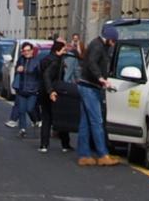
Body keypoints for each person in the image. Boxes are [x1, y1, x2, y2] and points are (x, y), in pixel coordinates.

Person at [75, 31, 117, 166]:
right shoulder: (98, 46)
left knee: (85, 122)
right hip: (90, 87)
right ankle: (102, 154)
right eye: (114, 41)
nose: (114, 44)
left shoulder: (96, 44)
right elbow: (92, 63)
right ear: (110, 38)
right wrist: (101, 79)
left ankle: (84, 155)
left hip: (85, 85)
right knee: (97, 121)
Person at [44, 37, 81, 154]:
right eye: (64, 46)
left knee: (55, 117)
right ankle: (56, 143)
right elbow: (46, 75)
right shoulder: (54, 60)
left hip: (60, 90)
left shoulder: (66, 59)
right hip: (54, 90)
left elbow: (76, 73)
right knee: (52, 116)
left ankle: (48, 144)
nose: (66, 48)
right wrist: (50, 90)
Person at [9, 42, 41, 134]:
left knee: (30, 108)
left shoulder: (37, 61)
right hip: (21, 89)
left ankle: (35, 120)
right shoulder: (21, 60)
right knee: (21, 110)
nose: (26, 52)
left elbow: (40, 76)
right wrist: (18, 70)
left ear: (32, 51)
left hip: (33, 90)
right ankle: (22, 129)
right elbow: (16, 73)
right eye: (24, 51)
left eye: (28, 50)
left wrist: (38, 88)